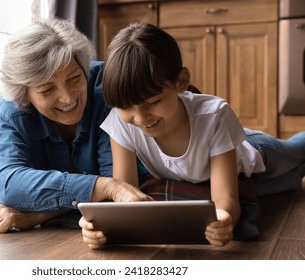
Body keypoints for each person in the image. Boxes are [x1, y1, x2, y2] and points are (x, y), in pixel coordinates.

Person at [79, 22, 305, 249]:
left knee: (298, 152)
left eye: (153, 102)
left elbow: (225, 198)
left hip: (253, 153)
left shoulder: (214, 115)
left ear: (181, 82)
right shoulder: (120, 122)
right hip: (231, 179)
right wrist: (101, 229)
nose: (140, 118)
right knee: (293, 182)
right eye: (126, 107)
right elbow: (127, 192)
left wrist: (224, 218)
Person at [0, 18, 154, 233]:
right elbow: (9, 184)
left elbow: (120, 195)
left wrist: (35, 214)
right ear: (24, 94)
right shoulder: (10, 112)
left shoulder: (110, 87)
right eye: (47, 90)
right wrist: (102, 186)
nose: (68, 98)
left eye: (75, 78)